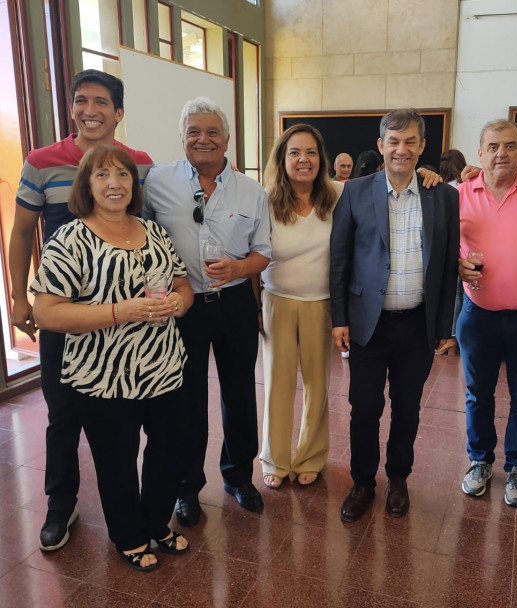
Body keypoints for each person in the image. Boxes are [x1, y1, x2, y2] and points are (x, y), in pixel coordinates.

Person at [9, 69, 153, 551]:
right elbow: (23, 231)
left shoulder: (140, 163)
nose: (89, 110)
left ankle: (137, 501)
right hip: (65, 316)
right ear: (71, 108)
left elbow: (148, 230)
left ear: (118, 112)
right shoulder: (42, 161)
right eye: (80, 101)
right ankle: (60, 502)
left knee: (132, 412)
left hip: (128, 319)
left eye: (101, 102)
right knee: (63, 412)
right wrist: (16, 297)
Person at [31, 145, 193, 572]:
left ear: (133, 185)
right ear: (86, 185)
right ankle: (128, 536)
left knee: (167, 451)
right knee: (116, 459)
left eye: (122, 175)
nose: (114, 183)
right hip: (103, 375)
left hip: (163, 367)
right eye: (101, 175)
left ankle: (156, 522)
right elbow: (46, 312)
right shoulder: (70, 238)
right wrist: (119, 311)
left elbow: (182, 284)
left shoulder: (152, 231)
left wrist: (179, 303)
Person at [143, 97, 270, 524]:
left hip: (234, 302)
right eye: (194, 132)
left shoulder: (252, 191)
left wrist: (240, 267)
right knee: (186, 399)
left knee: (239, 395)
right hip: (183, 306)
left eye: (212, 132)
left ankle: (238, 476)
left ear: (227, 139)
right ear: (181, 138)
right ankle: (187, 487)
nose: (203, 139)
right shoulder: (157, 180)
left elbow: (263, 253)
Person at [330, 108, 459, 522]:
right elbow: (340, 260)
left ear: (422, 146)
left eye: (410, 141)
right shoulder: (355, 191)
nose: (401, 149)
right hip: (369, 324)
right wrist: (339, 318)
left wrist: (444, 326)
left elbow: (448, 265)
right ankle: (363, 481)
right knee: (364, 407)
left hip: (416, 325)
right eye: (394, 140)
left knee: (408, 408)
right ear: (382, 144)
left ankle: (398, 477)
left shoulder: (444, 196)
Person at [456, 120, 517, 507]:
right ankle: (480, 460)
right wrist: (455, 266)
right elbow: (442, 245)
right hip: (477, 312)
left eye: (510, 146)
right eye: (493, 146)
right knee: (477, 394)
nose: (502, 153)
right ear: (479, 153)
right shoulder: (459, 195)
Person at [258, 124, 344, 489]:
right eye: (294, 152)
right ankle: (275, 459)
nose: (303, 160)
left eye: (310, 152)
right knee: (277, 383)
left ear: (320, 158)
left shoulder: (338, 193)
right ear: (282, 158)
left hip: (320, 304)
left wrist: (425, 171)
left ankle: (310, 455)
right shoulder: (265, 200)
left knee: (317, 384)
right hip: (276, 301)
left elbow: (382, 187)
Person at [435, 148, 468, 355]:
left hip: (442, 247)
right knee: (460, 293)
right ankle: (454, 336)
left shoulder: (437, 187)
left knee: (449, 292)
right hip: (463, 245)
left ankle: (448, 335)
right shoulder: (465, 186)